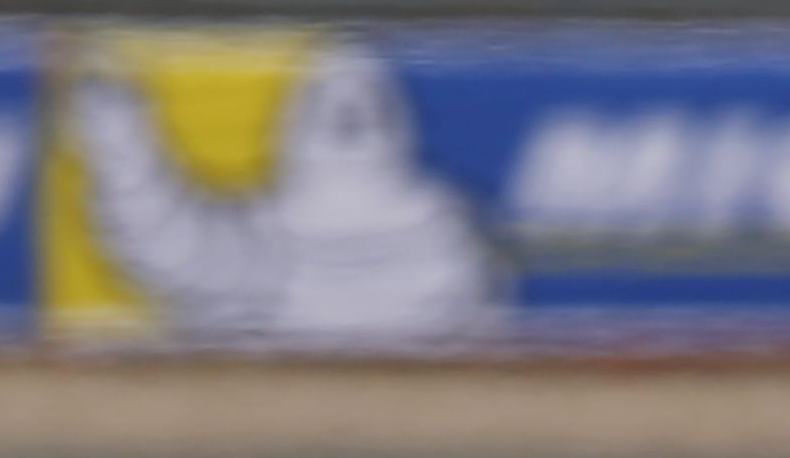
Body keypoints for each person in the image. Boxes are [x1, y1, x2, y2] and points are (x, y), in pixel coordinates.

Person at [67, 43, 499, 345]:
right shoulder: (259, 239)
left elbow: (481, 336)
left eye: (367, 104)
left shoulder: (446, 234)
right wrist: (123, 146)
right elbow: (169, 244)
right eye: (329, 104)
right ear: (295, 127)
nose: (350, 112)